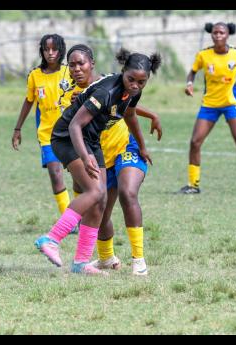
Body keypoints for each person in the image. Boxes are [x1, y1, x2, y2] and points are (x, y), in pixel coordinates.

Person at [34, 47, 161, 276]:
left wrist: (142, 145)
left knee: (100, 200)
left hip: (91, 141)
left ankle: (81, 263)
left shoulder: (133, 90)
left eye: (141, 82)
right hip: (67, 138)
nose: (135, 85)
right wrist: (85, 157)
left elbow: (130, 115)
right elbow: (74, 126)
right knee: (94, 192)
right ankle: (51, 239)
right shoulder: (105, 92)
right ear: (123, 72)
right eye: (131, 79)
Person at [178, 22, 236, 194]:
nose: (218, 36)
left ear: (228, 34)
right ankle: (193, 185)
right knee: (195, 142)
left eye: (221, 33)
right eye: (215, 33)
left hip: (231, 104)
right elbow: (192, 71)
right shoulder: (203, 55)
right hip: (209, 105)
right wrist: (189, 84)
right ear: (211, 35)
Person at [12, 34, 78, 232]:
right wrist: (17, 128)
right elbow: (29, 101)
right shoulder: (35, 75)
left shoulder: (70, 71)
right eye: (46, 49)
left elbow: (83, 92)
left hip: (72, 132)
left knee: (78, 177)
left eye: (54, 49)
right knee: (55, 173)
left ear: (61, 51)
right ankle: (70, 221)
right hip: (48, 135)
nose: (50, 53)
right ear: (41, 51)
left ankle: (80, 214)